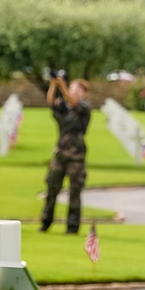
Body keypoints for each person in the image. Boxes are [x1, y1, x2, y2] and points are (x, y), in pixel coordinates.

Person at [41, 75, 91, 234]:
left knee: (75, 192)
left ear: (84, 93)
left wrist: (62, 85)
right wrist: (53, 85)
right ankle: (46, 222)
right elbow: (51, 102)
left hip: (76, 155)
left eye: (79, 89)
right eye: (73, 88)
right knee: (52, 188)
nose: (75, 91)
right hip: (60, 153)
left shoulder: (84, 108)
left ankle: (72, 226)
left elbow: (73, 102)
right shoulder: (64, 107)